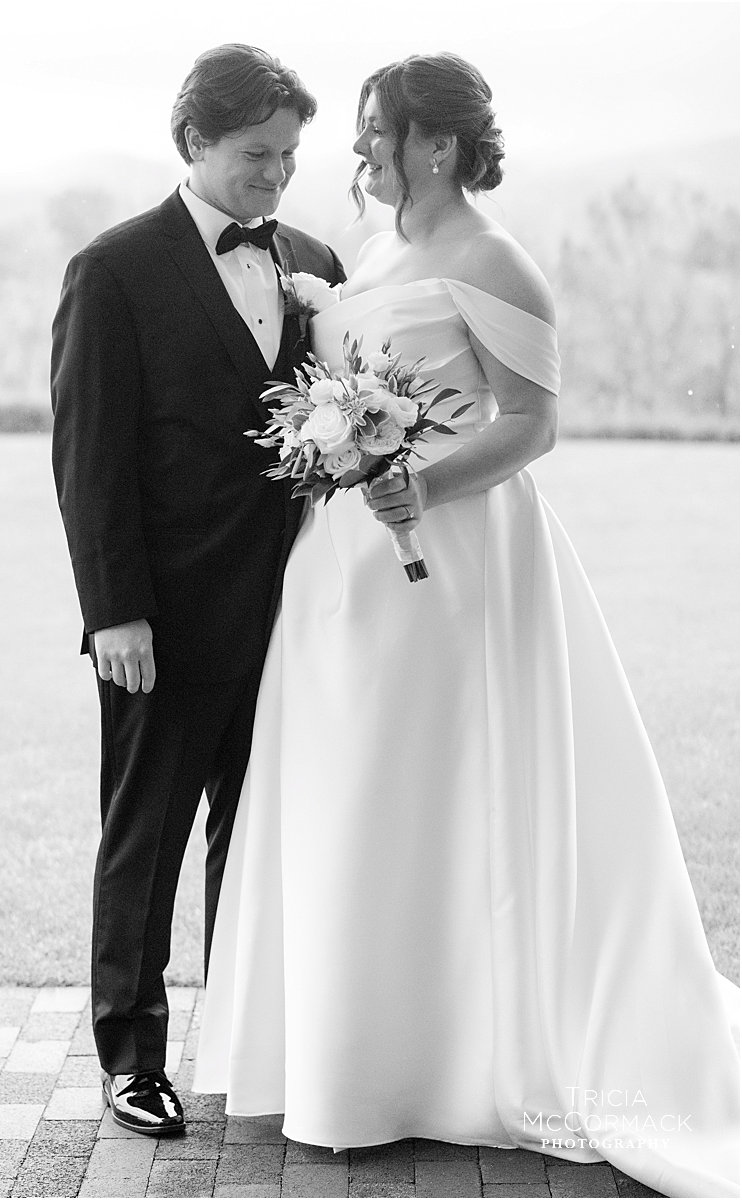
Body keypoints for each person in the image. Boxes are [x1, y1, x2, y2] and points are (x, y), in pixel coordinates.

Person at [192, 52, 739, 1197]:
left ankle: (457, 1058)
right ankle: (354, 1053)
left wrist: (422, 485)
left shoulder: (496, 260)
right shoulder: (372, 251)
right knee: (355, 789)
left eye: (376, 129)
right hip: (342, 564)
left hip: (455, 562)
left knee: (439, 785)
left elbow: (533, 423)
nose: (358, 149)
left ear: (437, 144)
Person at [50, 43, 345, 1135]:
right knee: (147, 839)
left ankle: (240, 1037)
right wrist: (113, 611)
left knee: (256, 836)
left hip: (297, 617)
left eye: (290, 154)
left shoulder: (314, 261)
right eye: (257, 153)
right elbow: (90, 456)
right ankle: (131, 1058)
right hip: (162, 621)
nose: (278, 173)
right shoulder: (114, 270)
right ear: (194, 142)